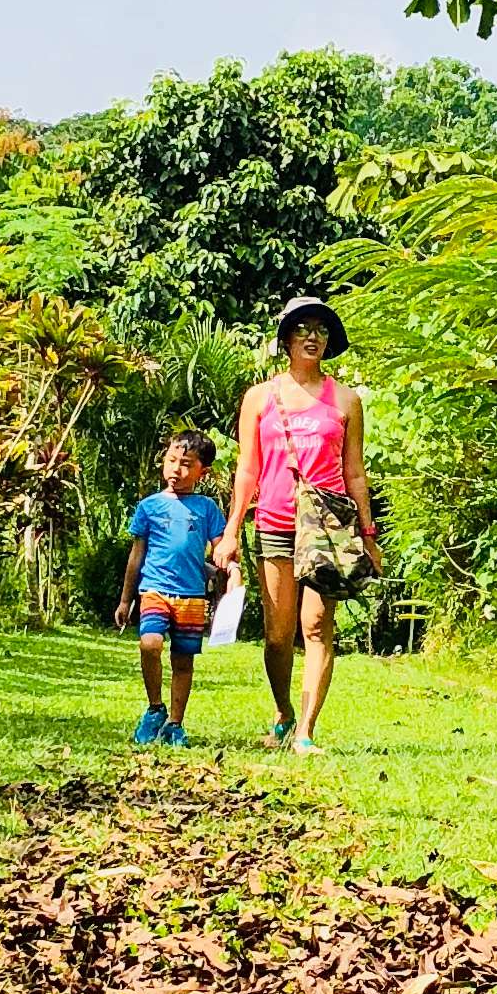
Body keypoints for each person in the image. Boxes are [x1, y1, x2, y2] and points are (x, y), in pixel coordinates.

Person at [219, 293, 379, 751]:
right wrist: (231, 530)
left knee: (316, 627)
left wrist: (368, 536)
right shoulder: (260, 397)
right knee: (277, 632)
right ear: (286, 338)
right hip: (274, 520)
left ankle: (306, 730)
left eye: (322, 330)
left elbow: (354, 472)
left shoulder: (346, 401)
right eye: (303, 329)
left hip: (328, 526)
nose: (313, 337)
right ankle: (284, 712)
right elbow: (247, 467)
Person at [113, 426, 227, 746]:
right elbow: (136, 555)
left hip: (191, 596)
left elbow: (220, 546)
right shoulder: (149, 507)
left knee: (182, 660)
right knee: (150, 644)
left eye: (187, 463)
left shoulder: (207, 509)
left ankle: (175, 724)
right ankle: (155, 709)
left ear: (203, 472)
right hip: (154, 590)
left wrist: (228, 564)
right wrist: (125, 600)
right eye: (172, 459)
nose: (176, 469)